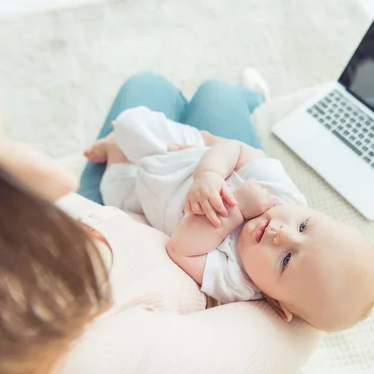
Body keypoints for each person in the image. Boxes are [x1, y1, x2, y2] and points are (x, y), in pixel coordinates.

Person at [0, 71, 321, 374]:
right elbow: (302, 328)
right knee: (216, 94)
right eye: (8, 142)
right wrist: (210, 162)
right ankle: (248, 99)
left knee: (147, 86)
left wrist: (205, 149)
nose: (282, 233)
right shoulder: (114, 351)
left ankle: (210, 105)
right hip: (156, 206)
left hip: (122, 205)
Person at [83, 106, 374, 331]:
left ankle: (115, 151)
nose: (283, 234)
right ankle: (123, 136)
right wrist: (209, 173)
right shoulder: (282, 194)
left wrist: (236, 210)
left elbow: (180, 249)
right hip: (183, 158)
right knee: (131, 123)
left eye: (287, 259)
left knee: (113, 193)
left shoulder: (238, 281)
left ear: (275, 302)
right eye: (303, 225)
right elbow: (237, 149)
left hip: (149, 202)